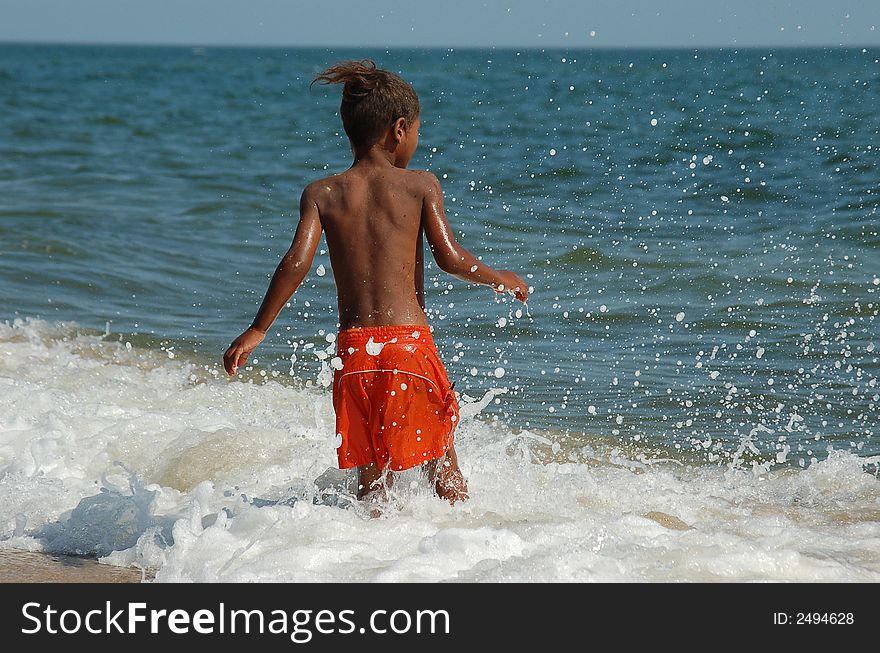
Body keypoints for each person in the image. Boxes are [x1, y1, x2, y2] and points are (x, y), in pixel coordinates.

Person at [223, 59, 528, 510]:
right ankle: (463, 548)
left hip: (354, 353)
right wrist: (498, 278)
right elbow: (451, 258)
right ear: (399, 129)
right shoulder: (420, 185)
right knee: (442, 462)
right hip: (408, 346)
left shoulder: (321, 193)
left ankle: (368, 560)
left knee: (372, 477)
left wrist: (259, 328)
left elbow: (295, 263)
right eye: (418, 130)